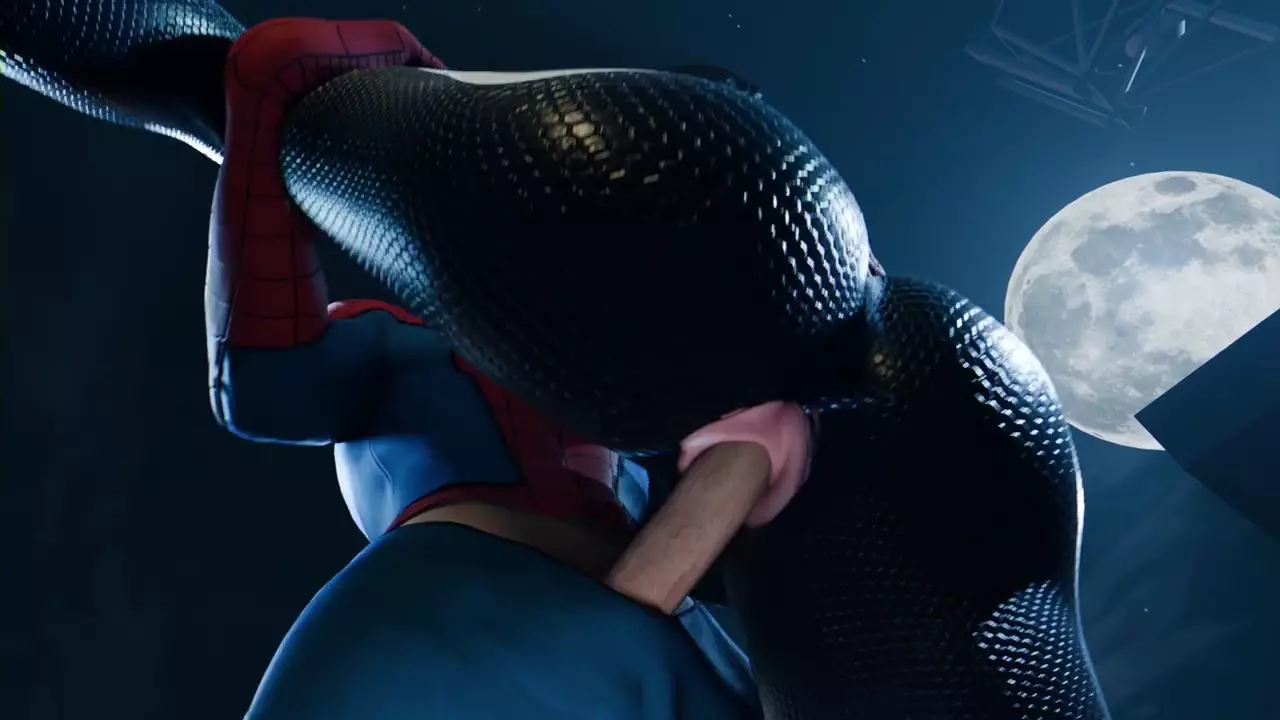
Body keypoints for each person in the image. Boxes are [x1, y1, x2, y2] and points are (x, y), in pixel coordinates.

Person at [2, 7, 756, 718]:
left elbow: (773, 558)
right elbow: (261, 386)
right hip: (452, 630)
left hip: (649, 648)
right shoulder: (409, 348)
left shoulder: (660, 413)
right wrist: (335, 89)